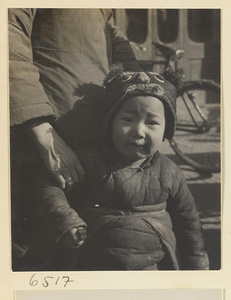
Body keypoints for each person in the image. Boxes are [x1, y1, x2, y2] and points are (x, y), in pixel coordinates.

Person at [34, 65, 210, 271]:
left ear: (166, 130)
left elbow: (189, 225)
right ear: (110, 123)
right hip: (93, 265)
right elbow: (50, 185)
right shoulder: (89, 160)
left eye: (152, 122)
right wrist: (65, 220)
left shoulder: (170, 172)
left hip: (152, 269)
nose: (138, 131)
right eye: (127, 119)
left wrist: (198, 269)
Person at [9, 8, 140, 269]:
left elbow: (108, 33)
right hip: (39, 150)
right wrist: (41, 131)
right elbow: (8, 35)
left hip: (93, 150)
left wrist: (137, 91)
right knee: (31, 256)